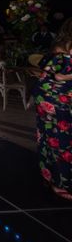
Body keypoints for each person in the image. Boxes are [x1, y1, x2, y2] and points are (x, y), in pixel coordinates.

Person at [34, 19, 72, 199]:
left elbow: (45, 67)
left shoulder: (59, 45)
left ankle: (50, 178)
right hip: (59, 98)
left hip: (46, 96)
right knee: (61, 140)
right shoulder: (67, 47)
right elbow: (59, 76)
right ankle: (60, 183)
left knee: (48, 137)